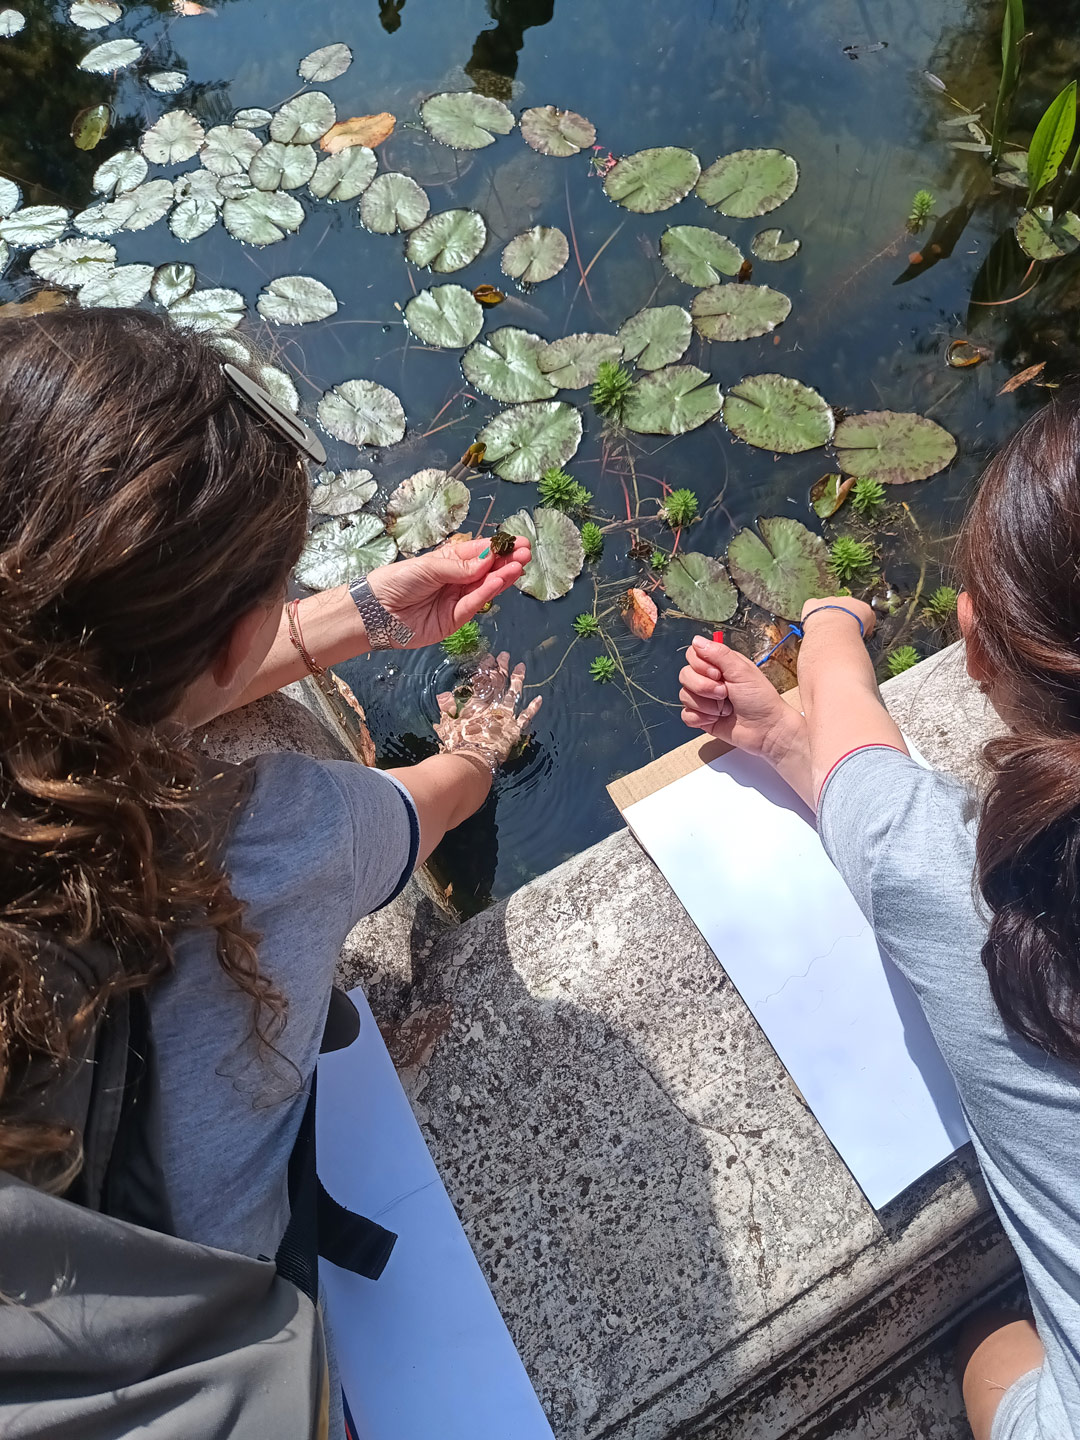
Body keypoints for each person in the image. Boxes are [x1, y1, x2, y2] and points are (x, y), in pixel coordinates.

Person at [0, 307, 539, 1436]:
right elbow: (423, 806)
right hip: (198, 1319)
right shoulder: (273, 835)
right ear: (237, 636)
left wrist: (360, 615)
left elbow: (114, 680)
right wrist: (479, 749)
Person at [677, 391, 1080, 1440]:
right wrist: (790, 740)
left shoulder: (998, 901)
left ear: (976, 647)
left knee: (991, 1354)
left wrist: (829, 621)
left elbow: (864, 767)